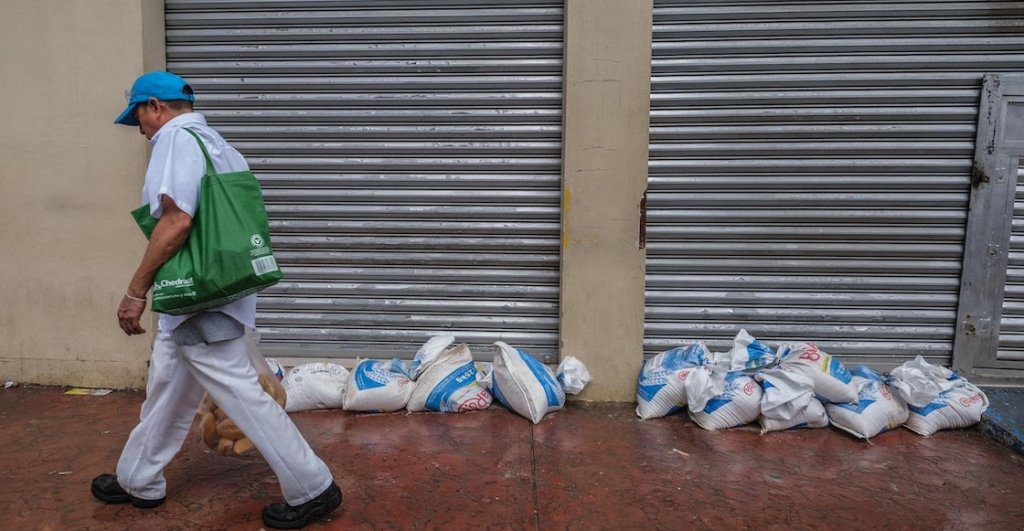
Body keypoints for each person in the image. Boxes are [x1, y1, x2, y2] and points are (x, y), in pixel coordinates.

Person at [92, 70, 341, 530]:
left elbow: (176, 222)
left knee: (239, 392)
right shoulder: (219, 144)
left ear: (154, 106)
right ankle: (137, 480)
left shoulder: (176, 139)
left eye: (139, 118)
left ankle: (312, 487)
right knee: (168, 385)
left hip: (197, 295)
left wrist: (135, 291)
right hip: (215, 289)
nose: (141, 130)